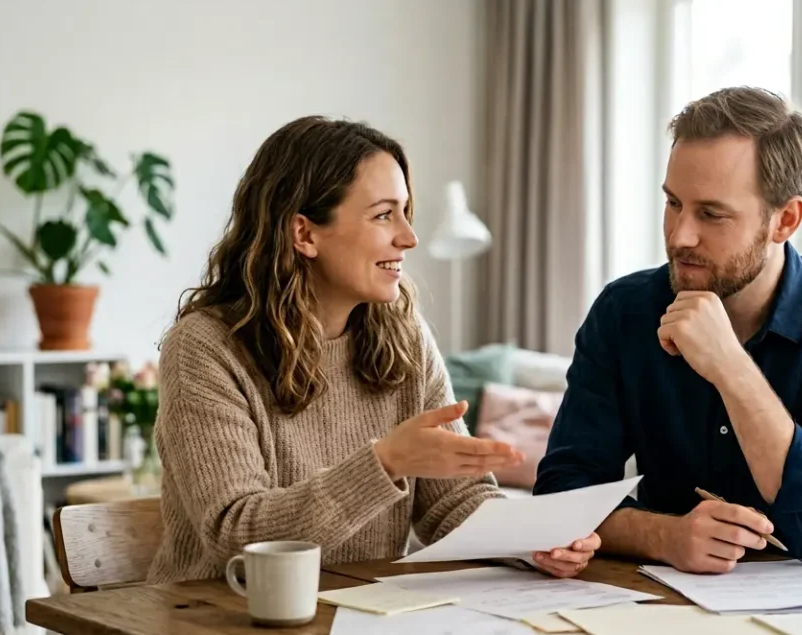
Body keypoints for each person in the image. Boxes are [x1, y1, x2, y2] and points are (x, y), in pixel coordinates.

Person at [146, 117, 600, 591]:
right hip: (215, 634)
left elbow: (454, 503)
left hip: (355, 624)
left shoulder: (403, 336)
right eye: (384, 215)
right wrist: (384, 463)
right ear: (304, 234)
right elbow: (236, 533)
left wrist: (533, 541)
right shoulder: (205, 349)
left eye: (405, 211)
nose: (409, 237)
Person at [533, 86, 802, 573]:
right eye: (673, 204)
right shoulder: (624, 312)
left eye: (711, 214)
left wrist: (730, 367)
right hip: (669, 614)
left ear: (785, 220)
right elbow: (562, 496)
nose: (680, 236)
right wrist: (667, 537)